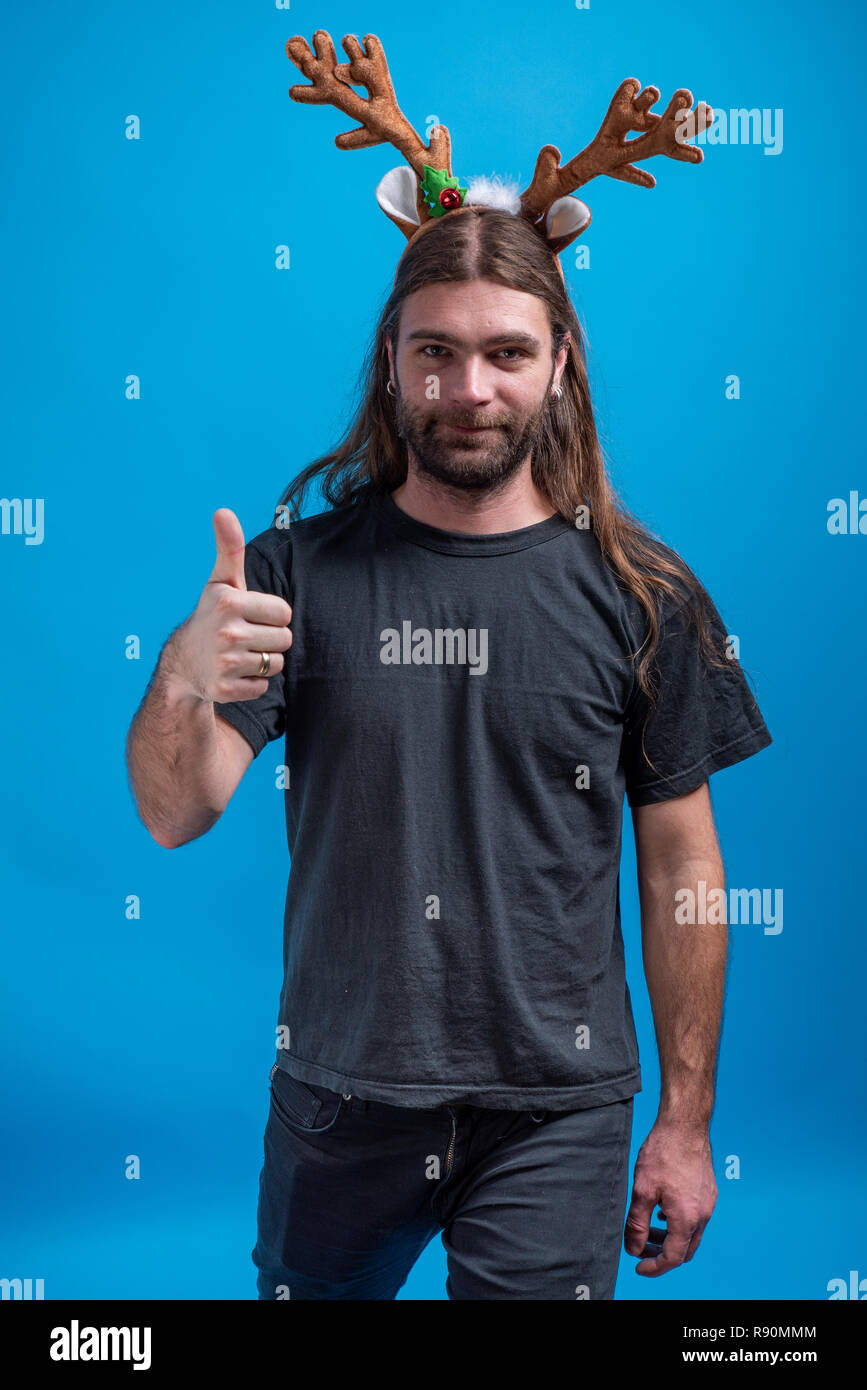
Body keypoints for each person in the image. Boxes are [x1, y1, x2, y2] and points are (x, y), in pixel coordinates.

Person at [125, 204, 771, 1299]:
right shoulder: (290, 581)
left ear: (561, 363)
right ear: (392, 362)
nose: (469, 390)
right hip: (339, 1097)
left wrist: (686, 1121)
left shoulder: (646, 598)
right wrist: (188, 667)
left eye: (507, 352)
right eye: (437, 351)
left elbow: (685, 874)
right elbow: (174, 811)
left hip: (557, 1112)